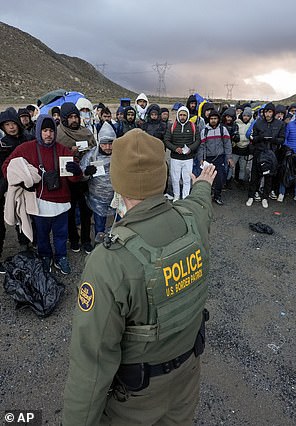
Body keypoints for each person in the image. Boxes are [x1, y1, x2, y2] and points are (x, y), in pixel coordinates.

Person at [62, 128, 216, 426]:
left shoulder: (110, 261)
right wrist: (203, 185)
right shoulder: (192, 220)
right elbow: (200, 202)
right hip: (186, 381)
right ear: (163, 174)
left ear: (118, 181)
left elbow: (91, 364)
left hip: (136, 401)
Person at [2, 115, 82, 274]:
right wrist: (22, 181)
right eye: (45, 130)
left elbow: (74, 179)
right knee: (42, 235)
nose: (48, 134)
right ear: (39, 131)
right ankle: (46, 256)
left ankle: (60, 257)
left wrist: (76, 172)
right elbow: (7, 167)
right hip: (39, 203)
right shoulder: (26, 148)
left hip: (62, 203)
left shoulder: (62, 150)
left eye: (51, 130)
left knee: (61, 234)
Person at [57, 102, 96, 254]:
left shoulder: (86, 132)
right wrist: (69, 152)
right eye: (70, 117)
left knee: (86, 211)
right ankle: (73, 239)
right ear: (64, 119)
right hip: (68, 181)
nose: (74, 120)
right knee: (70, 212)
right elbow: (56, 155)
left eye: (76, 117)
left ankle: (86, 240)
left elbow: (94, 150)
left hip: (85, 180)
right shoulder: (59, 135)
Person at [0, 109, 33, 270]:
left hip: (27, 184)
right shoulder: (2, 143)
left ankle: (27, 242)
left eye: (13, 123)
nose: (12, 127)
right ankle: (17, 247)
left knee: (27, 214)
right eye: (7, 124)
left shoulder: (28, 138)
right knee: (11, 217)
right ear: (3, 127)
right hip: (8, 186)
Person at [80, 122, 116, 241]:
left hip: (116, 197)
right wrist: (87, 173)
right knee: (99, 225)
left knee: (117, 225)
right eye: (104, 144)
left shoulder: (120, 155)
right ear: (99, 142)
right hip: (97, 199)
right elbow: (81, 176)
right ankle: (100, 247)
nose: (107, 147)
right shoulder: (91, 156)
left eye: (110, 143)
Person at [246, 102, 285, 208]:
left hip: (271, 153)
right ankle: (251, 195)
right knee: (255, 175)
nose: (267, 114)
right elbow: (253, 138)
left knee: (269, 176)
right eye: (266, 111)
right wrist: (260, 137)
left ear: (273, 113)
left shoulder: (279, 124)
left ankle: (265, 197)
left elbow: (282, 139)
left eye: (270, 112)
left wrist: (273, 140)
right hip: (259, 151)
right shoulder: (258, 123)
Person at [164, 106, 201, 201]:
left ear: (187, 115)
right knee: (175, 179)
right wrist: (175, 148)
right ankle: (176, 196)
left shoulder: (193, 126)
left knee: (187, 179)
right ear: (178, 115)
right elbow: (166, 140)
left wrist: (190, 149)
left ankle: (185, 197)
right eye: (180, 115)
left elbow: (198, 140)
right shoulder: (172, 126)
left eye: (184, 115)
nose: (182, 117)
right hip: (175, 158)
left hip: (188, 158)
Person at [197, 110, 233, 205]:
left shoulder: (223, 130)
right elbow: (202, 146)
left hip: (220, 158)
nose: (213, 120)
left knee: (220, 178)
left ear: (218, 119)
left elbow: (227, 144)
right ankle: (207, 196)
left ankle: (217, 196)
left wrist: (229, 157)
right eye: (211, 118)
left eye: (215, 118)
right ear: (209, 119)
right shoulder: (204, 131)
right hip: (208, 159)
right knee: (207, 179)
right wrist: (201, 159)